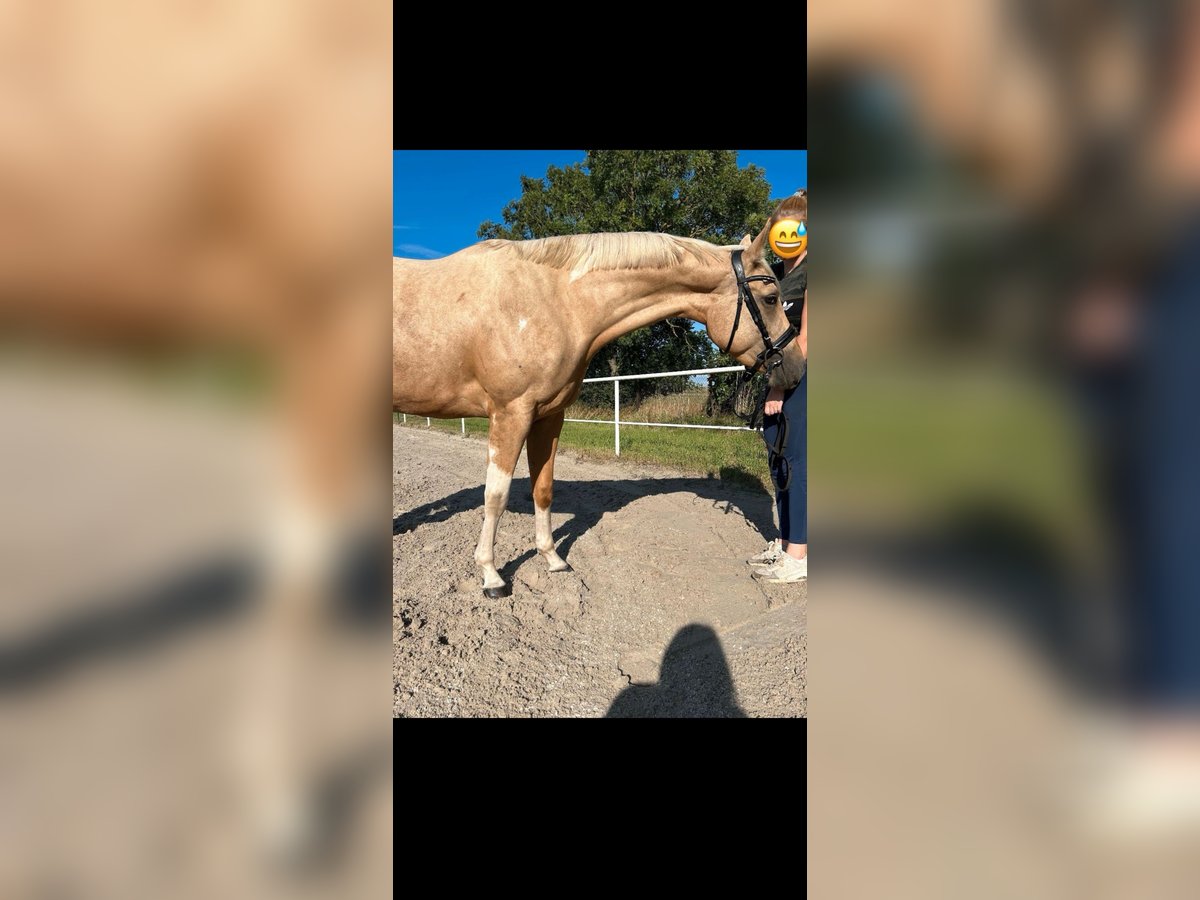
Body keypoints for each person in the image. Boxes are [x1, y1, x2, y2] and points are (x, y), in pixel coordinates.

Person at [749, 191, 808, 583]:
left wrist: (778, 388)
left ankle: (799, 556)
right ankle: (787, 540)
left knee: (798, 461)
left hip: (804, 377)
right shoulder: (780, 276)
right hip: (781, 376)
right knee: (778, 457)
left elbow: (807, 339)